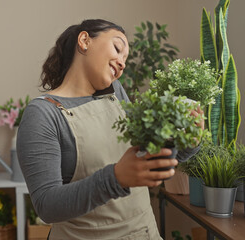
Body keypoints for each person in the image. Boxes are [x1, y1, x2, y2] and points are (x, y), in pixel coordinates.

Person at [17, 19, 202, 240]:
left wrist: (188, 141)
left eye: (125, 59)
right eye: (117, 48)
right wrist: (115, 179)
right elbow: (47, 206)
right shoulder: (43, 113)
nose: (122, 63)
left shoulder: (116, 95)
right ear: (85, 41)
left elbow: (150, 162)